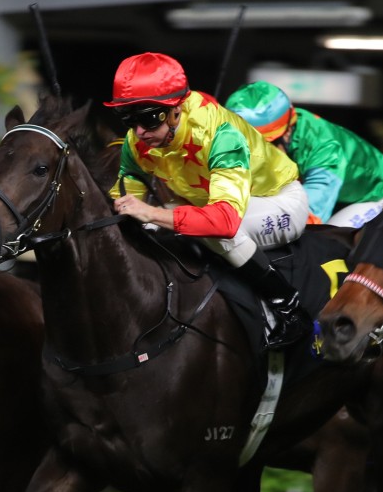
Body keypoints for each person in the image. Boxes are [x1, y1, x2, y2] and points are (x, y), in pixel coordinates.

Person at [106, 53, 311, 349]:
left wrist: (150, 213)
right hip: (216, 206)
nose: (139, 132)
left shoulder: (220, 135)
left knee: (211, 232)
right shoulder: (138, 141)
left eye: (148, 118)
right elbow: (128, 192)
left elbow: (224, 222)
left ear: (176, 109)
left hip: (278, 202)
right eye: (129, 119)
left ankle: (289, 308)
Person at [225, 81, 383, 228]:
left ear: (287, 131)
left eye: (266, 145)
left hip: (369, 196)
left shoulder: (325, 148)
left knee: (324, 242)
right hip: (311, 188)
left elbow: (310, 216)